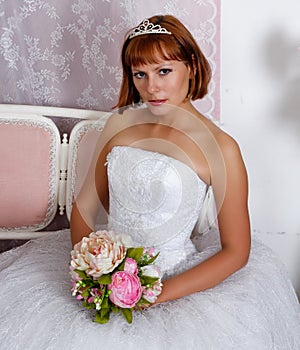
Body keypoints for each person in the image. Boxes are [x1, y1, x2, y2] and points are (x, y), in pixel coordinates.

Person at [0, 14, 299, 350]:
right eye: (140, 74)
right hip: (106, 272)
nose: (151, 87)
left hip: (171, 282)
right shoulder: (119, 123)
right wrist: (93, 270)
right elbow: (84, 208)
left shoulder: (221, 147)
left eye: (164, 71)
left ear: (192, 67)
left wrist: (150, 297)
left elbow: (236, 251)